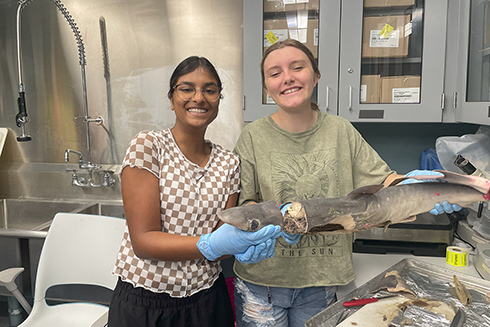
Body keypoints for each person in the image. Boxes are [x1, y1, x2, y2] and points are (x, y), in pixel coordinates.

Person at [232, 39, 461, 327]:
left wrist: (421, 187)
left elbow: (385, 181)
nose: (287, 77)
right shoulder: (252, 137)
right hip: (263, 283)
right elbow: (246, 202)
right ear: (266, 88)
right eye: (275, 73)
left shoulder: (340, 131)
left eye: (297, 67)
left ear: (315, 77)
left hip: (322, 279)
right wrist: (263, 226)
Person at [108, 56, 282, 327]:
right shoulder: (148, 146)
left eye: (209, 90)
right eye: (187, 88)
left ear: (218, 100)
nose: (198, 97)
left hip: (207, 302)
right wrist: (209, 244)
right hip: (147, 303)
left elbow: (222, 242)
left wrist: (246, 243)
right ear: (171, 98)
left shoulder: (228, 163)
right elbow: (143, 242)